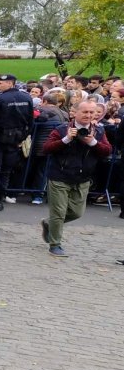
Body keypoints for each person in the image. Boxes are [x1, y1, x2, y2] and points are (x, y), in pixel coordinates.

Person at [40, 100, 112, 258]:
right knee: (58, 212)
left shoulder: (98, 131)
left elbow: (106, 151)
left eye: (92, 112)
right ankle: (55, 244)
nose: (88, 115)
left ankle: (48, 223)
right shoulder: (61, 129)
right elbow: (46, 148)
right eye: (85, 112)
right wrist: (66, 139)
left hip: (83, 178)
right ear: (75, 112)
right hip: (60, 175)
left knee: (77, 213)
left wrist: (93, 142)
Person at [0, 74, 33, 212]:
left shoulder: (1, 99)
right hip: (15, 139)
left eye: (1, 83)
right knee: (6, 171)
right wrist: (22, 137)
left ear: (10, 83)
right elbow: (30, 120)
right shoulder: (26, 98)